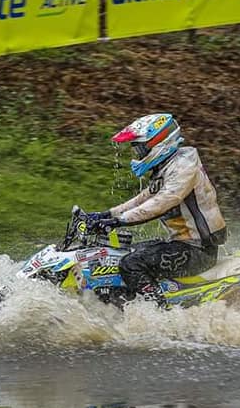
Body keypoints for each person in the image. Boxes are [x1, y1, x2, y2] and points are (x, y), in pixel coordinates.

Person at [87, 113, 226, 305]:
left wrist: (119, 221)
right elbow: (144, 199)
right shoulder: (169, 165)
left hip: (199, 251)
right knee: (119, 254)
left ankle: (160, 310)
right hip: (181, 245)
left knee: (131, 264)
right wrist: (106, 215)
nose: (138, 154)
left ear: (159, 143)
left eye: (141, 148)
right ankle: (124, 301)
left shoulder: (184, 167)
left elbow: (162, 202)